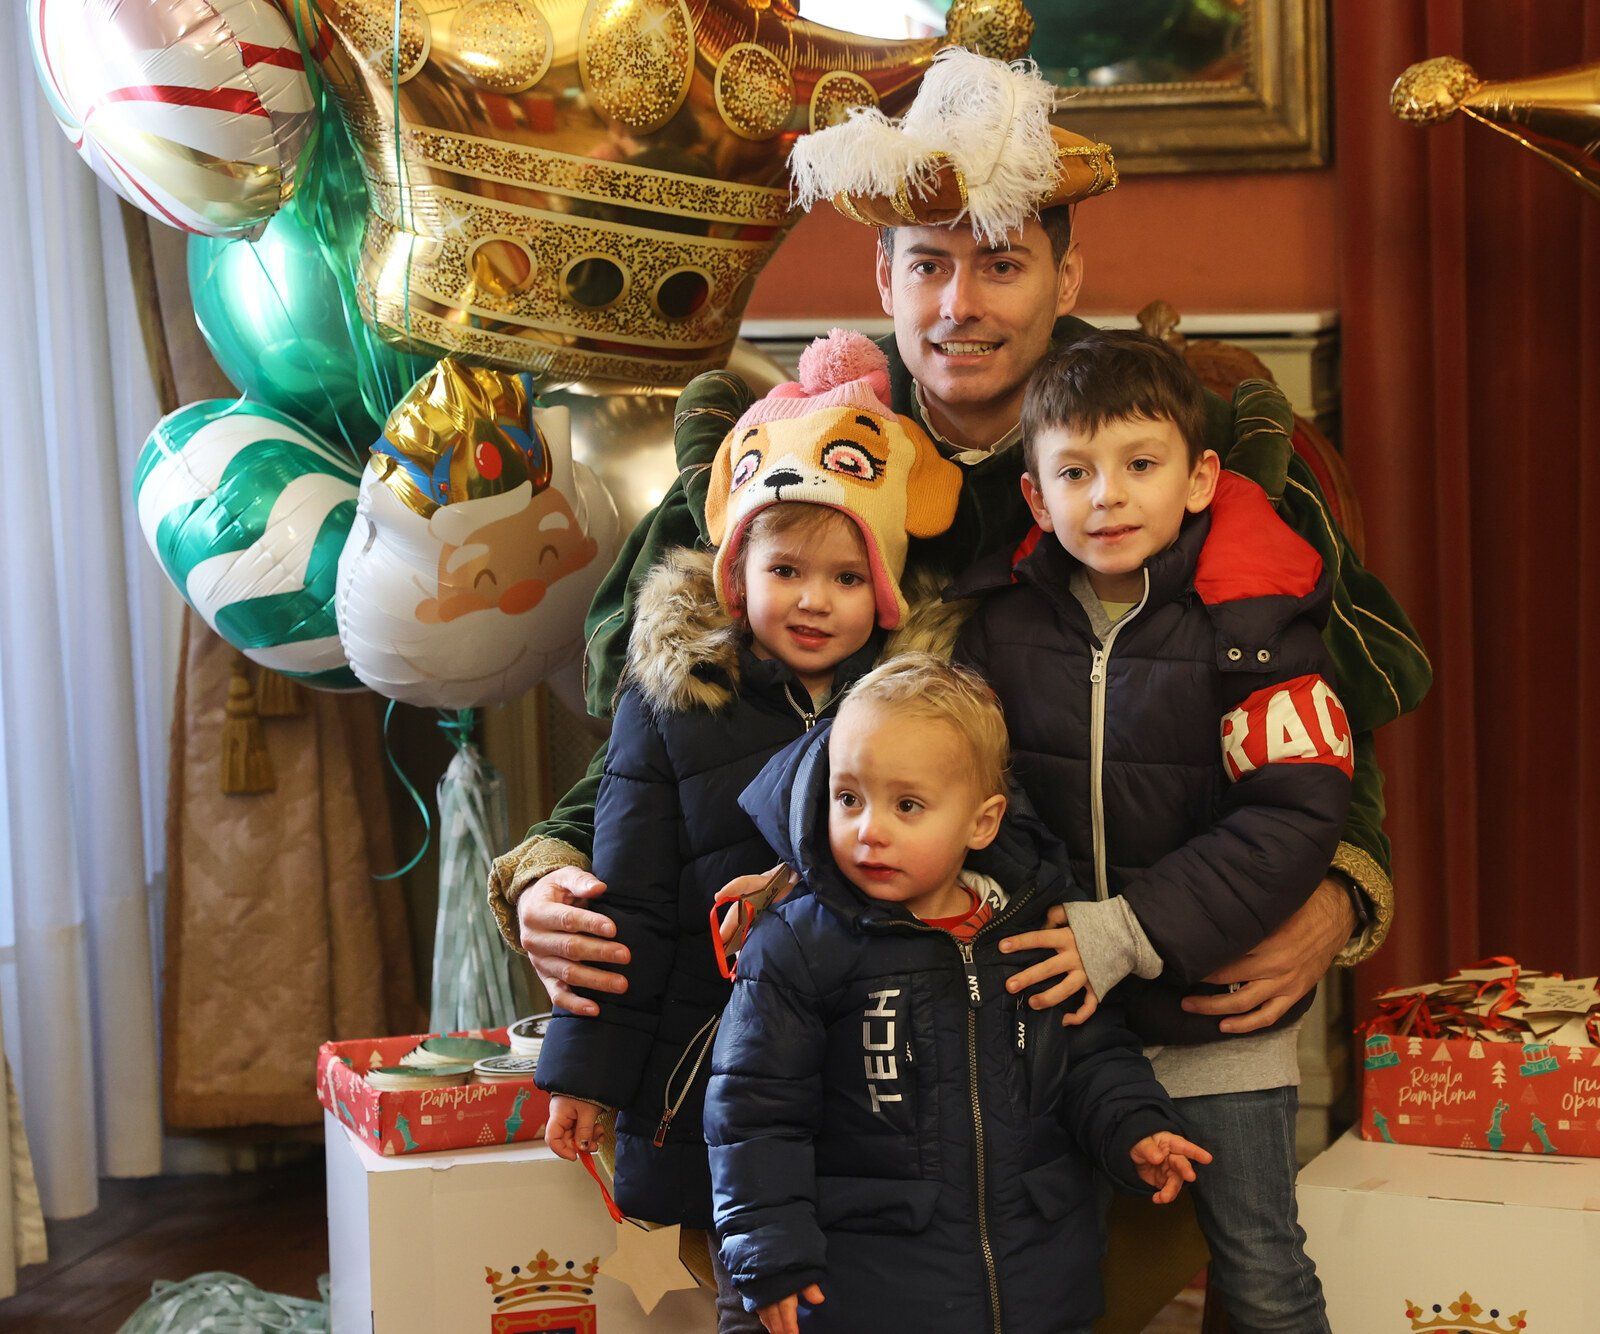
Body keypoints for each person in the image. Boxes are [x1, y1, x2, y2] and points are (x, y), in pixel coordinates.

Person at [489, 49, 1424, 1040]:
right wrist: (551, 864)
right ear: (885, 272)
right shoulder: (796, 449)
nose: (958, 305)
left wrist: (1337, 892)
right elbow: (675, 703)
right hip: (853, 1004)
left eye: (1001, 263)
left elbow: (1317, 705)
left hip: (1126, 982)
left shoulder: (1171, 445)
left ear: (1066, 276)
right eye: (929, 263)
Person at [531, 331, 965, 1332]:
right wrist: (587, 1073)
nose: (813, 599)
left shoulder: (919, 705)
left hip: (879, 1080)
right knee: (756, 1294)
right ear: (737, 573)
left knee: (879, 1292)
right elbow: (627, 899)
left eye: (848, 579)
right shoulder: (673, 703)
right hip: (722, 1077)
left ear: (887, 594)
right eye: (786, 569)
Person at [955, 328, 1351, 1330]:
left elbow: (1290, 811)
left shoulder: (1254, 625)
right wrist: (1045, 926)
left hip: (1212, 1010)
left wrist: (1124, 931)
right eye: (1075, 472)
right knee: (1061, 1269)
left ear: (1198, 477)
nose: (1109, 496)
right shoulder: (998, 626)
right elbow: (979, 793)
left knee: (1257, 1262)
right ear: (1037, 499)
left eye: (1140, 465)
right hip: (1063, 1015)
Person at [705, 656, 1212, 1334]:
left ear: (983, 822)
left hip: (1039, 1283)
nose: (869, 829)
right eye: (849, 798)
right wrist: (770, 1256)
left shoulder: (1035, 930)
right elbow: (755, 1118)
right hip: (873, 1294)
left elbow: (1092, 1057)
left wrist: (1137, 1129)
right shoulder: (798, 947)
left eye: (906, 805)